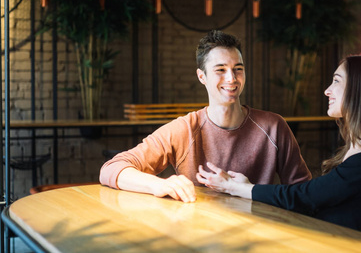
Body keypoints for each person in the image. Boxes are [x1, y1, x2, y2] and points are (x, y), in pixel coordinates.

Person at [197, 54, 361, 239]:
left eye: (336, 81)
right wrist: (245, 185)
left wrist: (235, 187)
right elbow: (310, 201)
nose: (327, 90)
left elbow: (303, 197)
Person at [99, 30, 311, 203]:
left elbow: (304, 194)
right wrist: (160, 184)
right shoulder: (184, 129)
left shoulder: (274, 126)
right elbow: (112, 168)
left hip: (260, 232)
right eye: (220, 69)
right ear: (202, 76)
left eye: (238, 69)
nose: (232, 78)